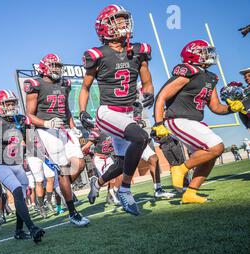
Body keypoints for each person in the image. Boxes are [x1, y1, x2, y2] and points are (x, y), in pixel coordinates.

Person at [79, 4, 154, 216]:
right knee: (140, 138)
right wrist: (83, 111)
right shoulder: (98, 55)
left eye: (124, 19)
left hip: (128, 112)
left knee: (122, 162)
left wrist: (149, 92)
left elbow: (147, 81)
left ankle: (98, 181)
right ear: (105, 26)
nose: (123, 23)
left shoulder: (139, 51)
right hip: (108, 112)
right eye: (117, 20)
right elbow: (85, 87)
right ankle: (125, 189)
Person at [153, 40, 242, 204]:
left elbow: (215, 107)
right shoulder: (189, 71)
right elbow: (161, 96)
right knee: (217, 147)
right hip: (177, 119)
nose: (209, 55)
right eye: (204, 52)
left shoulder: (211, 77)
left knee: (209, 156)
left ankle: (191, 192)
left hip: (193, 121)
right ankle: (180, 169)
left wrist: (232, 108)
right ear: (193, 54)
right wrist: (158, 124)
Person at [25, 53, 89, 226]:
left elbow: (66, 109)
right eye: (53, 66)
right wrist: (46, 122)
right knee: (63, 169)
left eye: (58, 66)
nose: (57, 69)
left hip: (63, 129)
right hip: (46, 130)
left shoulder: (64, 83)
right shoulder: (35, 84)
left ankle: (61, 188)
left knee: (79, 163)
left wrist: (73, 126)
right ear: (45, 67)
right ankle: (72, 212)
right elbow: (29, 116)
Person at [0, 90, 45, 242]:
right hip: (2, 165)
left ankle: (18, 231)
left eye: (12, 103)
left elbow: (30, 144)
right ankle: (32, 227)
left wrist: (44, 157)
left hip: (18, 165)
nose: (11, 106)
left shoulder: (22, 120)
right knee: (17, 192)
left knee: (21, 198)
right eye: (7, 103)